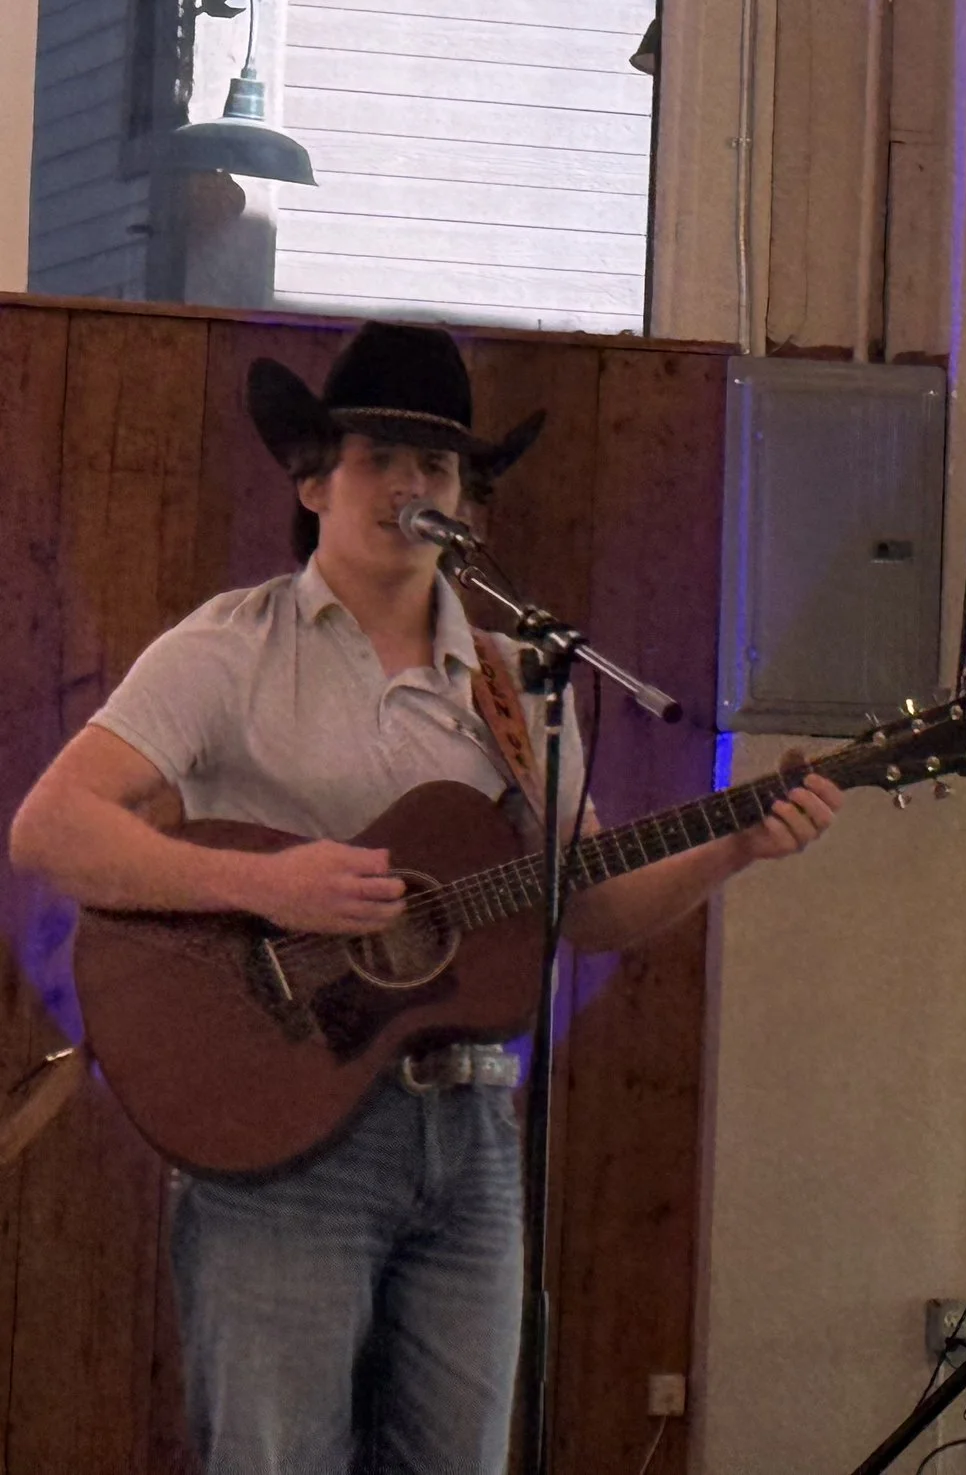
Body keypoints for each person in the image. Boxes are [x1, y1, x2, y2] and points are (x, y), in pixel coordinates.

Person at [7, 321, 841, 1475]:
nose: (412, 485)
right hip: (277, 1133)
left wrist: (734, 848)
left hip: (471, 1136)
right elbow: (52, 829)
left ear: (470, 504)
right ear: (312, 481)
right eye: (380, 457)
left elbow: (580, 907)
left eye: (438, 466)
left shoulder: (514, 680)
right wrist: (267, 884)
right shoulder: (226, 650)